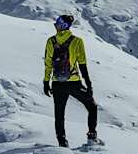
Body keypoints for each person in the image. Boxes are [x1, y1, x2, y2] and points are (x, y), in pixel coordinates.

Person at [42, 14, 98, 147]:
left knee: (59, 114)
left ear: (61, 26)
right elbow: (82, 65)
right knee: (92, 107)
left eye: (57, 24)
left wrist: (46, 82)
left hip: (57, 83)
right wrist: (89, 85)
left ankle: (62, 143)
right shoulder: (77, 41)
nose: (55, 26)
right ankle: (92, 137)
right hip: (73, 82)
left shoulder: (51, 41)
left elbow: (48, 64)